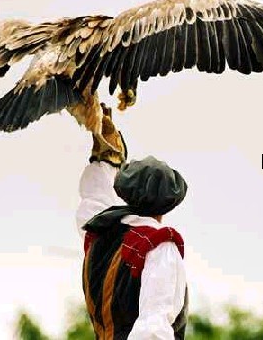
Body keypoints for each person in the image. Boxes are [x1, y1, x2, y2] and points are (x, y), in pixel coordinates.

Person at [76, 105, 189, 339]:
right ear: (170, 202)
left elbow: (95, 199)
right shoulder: (159, 246)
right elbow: (152, 329)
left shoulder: (102, 234)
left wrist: (105, 159)